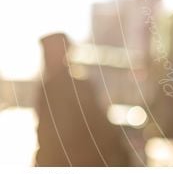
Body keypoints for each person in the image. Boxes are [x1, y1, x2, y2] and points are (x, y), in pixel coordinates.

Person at [34, 33, 130, 166]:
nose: (46, 58)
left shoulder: (62, 88)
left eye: (49, 52)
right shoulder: (68, 86)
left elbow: (56, 135)